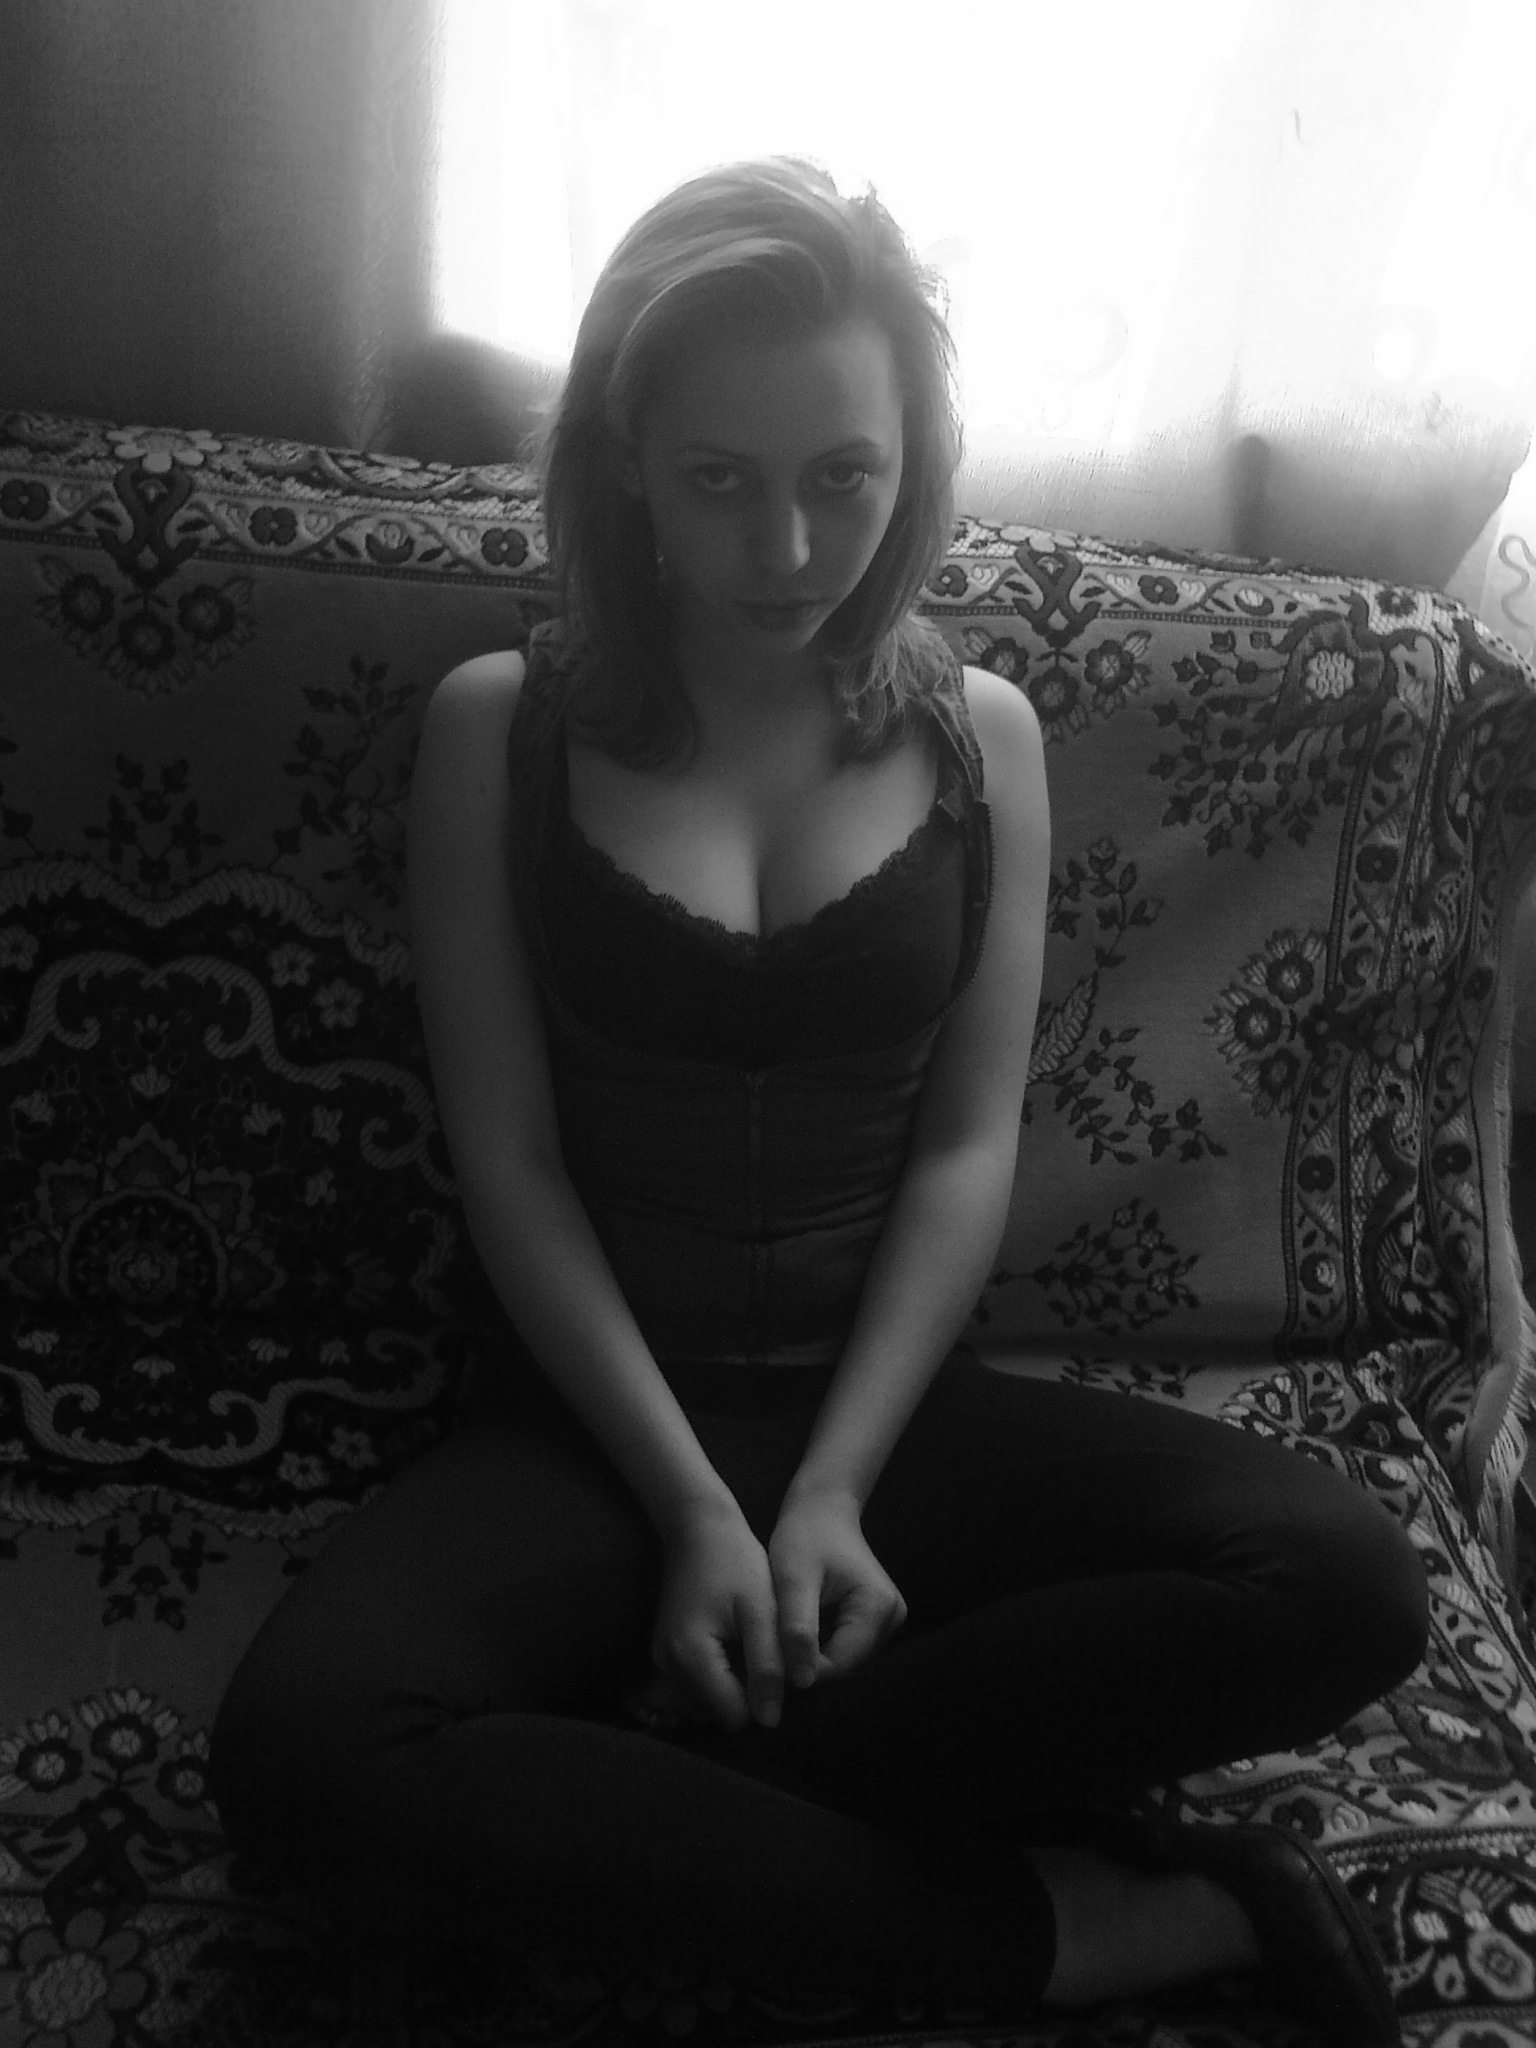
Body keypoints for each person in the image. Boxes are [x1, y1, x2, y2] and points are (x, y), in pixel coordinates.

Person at [208, 157, 1427, 2040]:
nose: (788, 547)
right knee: (299, 1761)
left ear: (913, 462)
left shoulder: (984, 737)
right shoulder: (498, 727)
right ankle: (1079, 1927)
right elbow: (511, 1165)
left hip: (890, 1419)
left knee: (1347, 1583)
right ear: (629, 462)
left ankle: (674, 1792)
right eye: (722, 479)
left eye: (842, 477)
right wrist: (697, 1512)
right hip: (591, 1427)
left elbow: (962, 1150)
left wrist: (835, 1488)